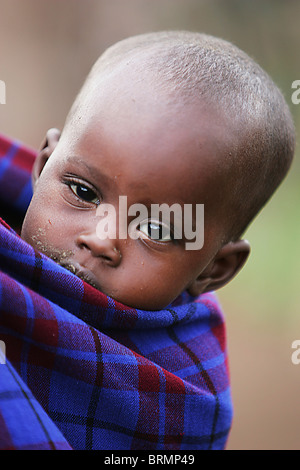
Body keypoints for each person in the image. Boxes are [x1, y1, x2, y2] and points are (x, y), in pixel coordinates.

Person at [0, 31, 295, 450]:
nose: (102, 240)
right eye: (83, 192)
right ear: (44, 166)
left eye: (156, 230)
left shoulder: (180, 394)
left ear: (215, 268)